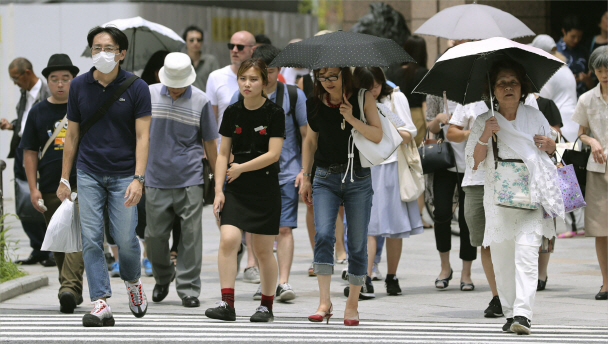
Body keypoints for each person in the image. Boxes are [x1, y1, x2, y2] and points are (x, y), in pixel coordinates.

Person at [56, 26, 152, 327]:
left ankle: (133, 281)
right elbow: (70, 135)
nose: (102, 54)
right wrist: (64, 178)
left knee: (125, 238)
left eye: (108, 48)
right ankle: (100, 302)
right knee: (92, 238)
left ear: (121, 53)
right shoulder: (79, 86)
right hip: (88, 173)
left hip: (125, 174)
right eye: (96, 48)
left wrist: (139, 178)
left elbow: (143, 137)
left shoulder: (137, 87)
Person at [466, 59, 563, 335]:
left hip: (532, 197)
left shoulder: (535, 117)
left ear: (522, 88)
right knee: (503, 259)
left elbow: (555, 153)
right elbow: (474, 162)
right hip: (499, 200)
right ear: (493, 90)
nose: (508, 87)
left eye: (513, 82)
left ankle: (523, 313)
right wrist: (486, 134)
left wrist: (551, 145)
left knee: (526, 254)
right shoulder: (485, 120)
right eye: (502, 83)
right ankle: (509, 312)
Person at [300, 67, 382, 326]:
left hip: (358, 177)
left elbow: (377, 135)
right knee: (324, 234)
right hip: (325, 177)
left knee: (357, 244)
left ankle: (352, 304)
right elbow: (310, 141)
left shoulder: (361, 98)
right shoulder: (313, 103)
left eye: (333, 76)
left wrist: (353, 118)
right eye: (322, 78)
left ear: (344, 75)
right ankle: (324, 302)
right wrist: (305, 175)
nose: (327, 83)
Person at [205, 58, 284, 322]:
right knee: (228, 239)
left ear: (264, 82)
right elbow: (222, 152)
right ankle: (227, 304)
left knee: (262, 250)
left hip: (265, 188)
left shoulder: (274, 112)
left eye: (253, 79)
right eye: (242, 79)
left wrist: (241, 168)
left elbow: (274, 154)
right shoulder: (232, 111)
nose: (247, 84)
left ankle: (266, 306)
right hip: (235, 189)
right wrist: (218, 190)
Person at [229, 45, 307, 302]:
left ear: (278, 70)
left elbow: (306, 136)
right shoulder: (238, 98)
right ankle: (266, 281)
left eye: (270, 71)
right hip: (249, 175)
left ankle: (283, 282)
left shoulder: (293, 96)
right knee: (254, 230)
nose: (265, 76)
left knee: (284, 229)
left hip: (285, 173)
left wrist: (305, 170)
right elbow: (227, 142)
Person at [145, 52, 218, 308]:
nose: (176, 89)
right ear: (161, 77)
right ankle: (163, 276)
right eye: (172, 84)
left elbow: (210, 141)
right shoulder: (149, 94)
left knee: (191, 236)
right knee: (153, 236)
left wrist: (217, 179)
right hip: (154, 176)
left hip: (190, 177)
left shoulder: (201, 100)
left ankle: (188, 288)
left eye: (181, 85)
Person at [18, 54, 84, 313]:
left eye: (65, 79)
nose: (59, 84)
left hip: (81, 183)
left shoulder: (82, 107)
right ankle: (71, 289)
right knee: (58, 239)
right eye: (54, 79)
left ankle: (68, 287)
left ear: (73, 80)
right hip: (49, 185)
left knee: (76, 235)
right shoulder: (38, 111)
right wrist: (33, 189)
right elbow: (30, 152)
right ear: (47, 81)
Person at [353, 66, 422, 298]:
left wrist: (384, 124)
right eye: (368, 87)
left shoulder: (394, 98)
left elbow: (408, 132)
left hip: (392, 166)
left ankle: (392, 276)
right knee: (368, 227)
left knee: (394, 227)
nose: (374, 91)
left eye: (377, 85)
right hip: (366, 166)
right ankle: (366, 278)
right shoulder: (357, 101)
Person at [206, 31, 257, 282]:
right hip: (224, 152)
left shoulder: (257, 76)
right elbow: (212, 120)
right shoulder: (216, 77)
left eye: (240, 46)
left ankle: (251, 262)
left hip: (253, 153)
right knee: (221, 206)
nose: (234, 50)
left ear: (252, 49)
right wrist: (212, 154)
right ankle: (236, 246)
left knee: (251, 205)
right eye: (231, 45)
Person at [532, 34, 585, 238]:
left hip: (559, 125)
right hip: (572, 124)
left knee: (562, 173)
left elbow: (541, 99)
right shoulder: (565, 67)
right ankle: (577, 224)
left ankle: (573, 225)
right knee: (570, 173)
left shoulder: (549, 71)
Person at [1, 58, 52, 266]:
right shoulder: (24, 94)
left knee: (44, 200)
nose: (14, 83)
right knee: (24, 201)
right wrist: (11, 126)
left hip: (40, 153)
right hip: (22, 149)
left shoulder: (47, 92)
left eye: (16, 78)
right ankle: (37, 247)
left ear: (27, 72)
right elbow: (25, 125)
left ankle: (50, 250)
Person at [426, 94, 477, 291]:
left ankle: (467, 272)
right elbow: (429, 127)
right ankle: (445, 268)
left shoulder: (477, 94)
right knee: (441, 214)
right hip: (444, 161)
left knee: (468, 219)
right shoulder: (437, 93)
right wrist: (438, 119)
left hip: (472, 165)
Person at [571, 46, 608, 301]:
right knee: (601, 229)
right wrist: (592, 141)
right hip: (598, 169)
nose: (604, 74)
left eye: (607, 70)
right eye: (599, 70)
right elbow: (580, 132)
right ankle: (606, 283)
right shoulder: (586, 99)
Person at [386, 35, 432, 230]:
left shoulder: (392, 72)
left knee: (399, 165)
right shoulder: (423, 72)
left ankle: (396, 212)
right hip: (417, 119)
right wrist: (428, 130)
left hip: (395, 118)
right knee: (416, 166)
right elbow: (424, 104)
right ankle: (418, 217)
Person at [557, 15, 594, 98]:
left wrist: (588, 81)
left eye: (579, 37)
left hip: (584, 100)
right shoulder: (555, 51)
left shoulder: (583, 51)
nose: (576, 40)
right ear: (564, 31)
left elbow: (594, 84)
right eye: (573, 36)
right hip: (562, 101)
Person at [182, 26, 219, 92]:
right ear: (185, 42)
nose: (195, 42)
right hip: (186, 100)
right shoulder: (181, 61)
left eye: (198, 40)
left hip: (207, 99)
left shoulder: (210, 61)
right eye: (191, 40)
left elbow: (217, 83)